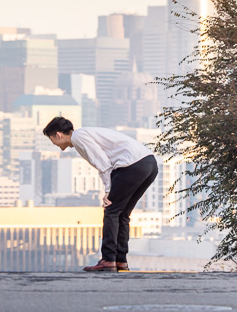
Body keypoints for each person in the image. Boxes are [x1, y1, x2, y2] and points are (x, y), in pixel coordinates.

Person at [43, 116, 158, 272]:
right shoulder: (84, 135)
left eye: (52, 140)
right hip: (148, 164)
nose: (54, 145)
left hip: (131, 165)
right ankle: (120, 261)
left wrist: (108, 189)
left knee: (111, 211)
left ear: (58, 135)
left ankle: (108, 259)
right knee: (122, 214)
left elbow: (102, 163)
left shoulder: (79, 137)